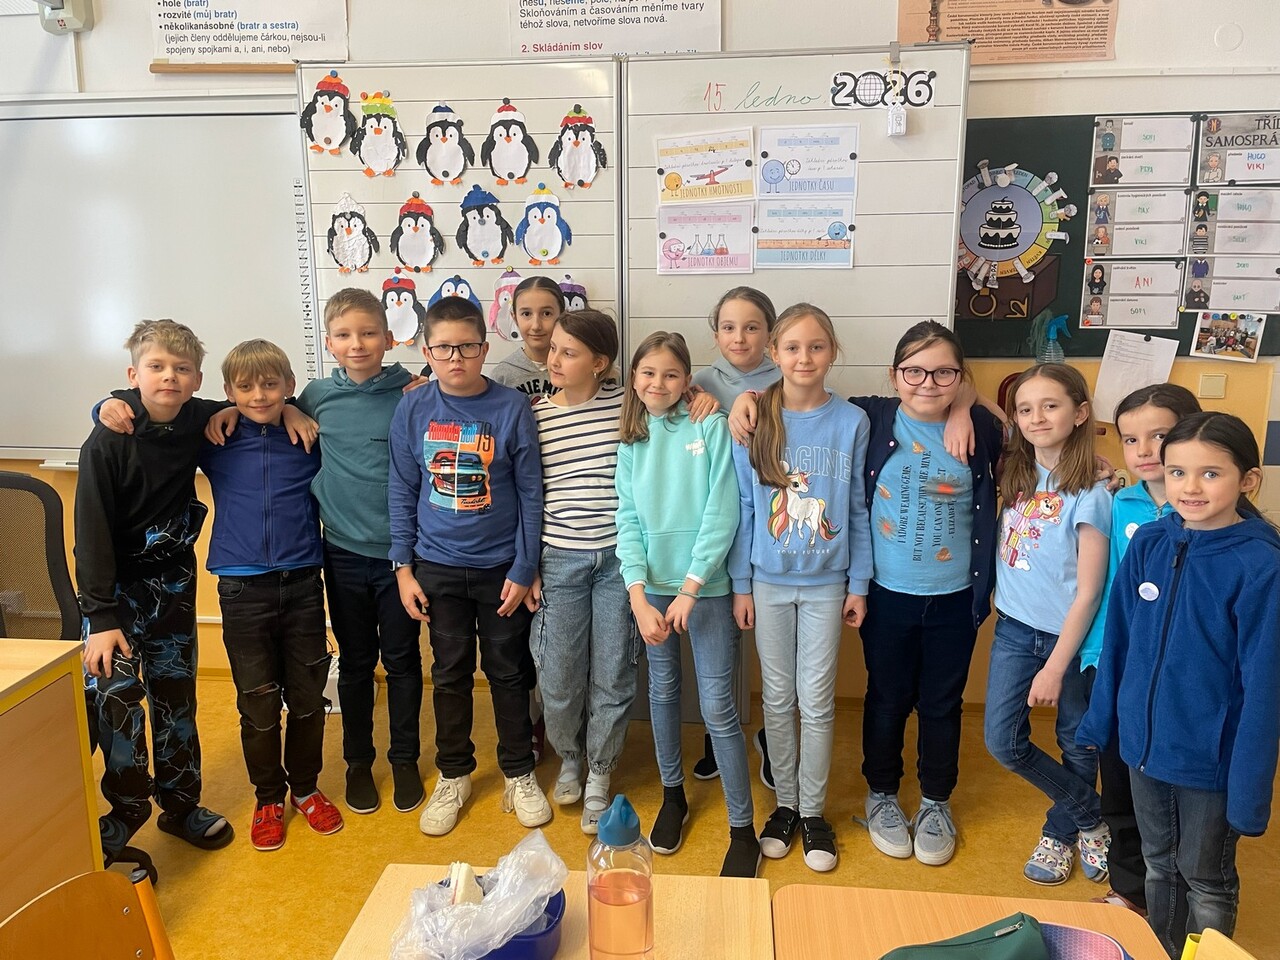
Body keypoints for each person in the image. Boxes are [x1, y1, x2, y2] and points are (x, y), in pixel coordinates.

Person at [1078, 412, 1280, 958]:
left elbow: (1265, 688)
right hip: (1144, 750)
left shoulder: (1261, 565)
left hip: (1210, 762)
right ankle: (1163, 950)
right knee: (1158, 864)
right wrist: (1102, 721)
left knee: (1205, 877)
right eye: (1177, 472)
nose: (1190, 487)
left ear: (1248, 479)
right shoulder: (1149, 542)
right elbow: (1118, 639)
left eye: (1210, 473)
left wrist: (1250, 790)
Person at [389, 295, 550, 837]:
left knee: (509, 672)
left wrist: (525, 566)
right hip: (435, 567)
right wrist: (403, 568)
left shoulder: (511, 407)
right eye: (443, 348)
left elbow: (531, 492)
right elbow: (401, 489)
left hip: (501, 570)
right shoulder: (413, 408)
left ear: (485, 348)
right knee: (450, 673)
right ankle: (454, 774)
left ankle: (518, 772)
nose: (455, 358)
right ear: (426, 351)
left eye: (467, 347)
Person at [76, 320, 236, 860]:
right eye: (156, 367)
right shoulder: (108, 438)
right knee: (119, 701)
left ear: (196, 380)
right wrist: (100, 617)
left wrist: (285, 410)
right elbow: (90, 535)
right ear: (133, 375)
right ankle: (126, 811)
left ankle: (181, 805)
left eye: (181, 369)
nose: (169, 377)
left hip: (172, 587)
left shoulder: (195, 418)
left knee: (176, 696)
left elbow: (248, 399)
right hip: (113, 599)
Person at [727, 304, 872, 874]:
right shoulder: (753, 417)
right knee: (777, 699)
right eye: (792, 347)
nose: (804, 358)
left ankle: (812, 812)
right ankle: (784, 805)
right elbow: (746, 508)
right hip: (766, 582)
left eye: (816, 346)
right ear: (774, 354)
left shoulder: (852, 421)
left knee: (816, 701)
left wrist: (858, 583)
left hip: (826, 585)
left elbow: (856, 508)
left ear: (832, 352)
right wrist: (741, 585)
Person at [851, 323, 1003, 866]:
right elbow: (802, 402)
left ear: (961, 377)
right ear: (894, 376)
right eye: (914, 371)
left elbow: (1033, 436)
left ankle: (936, 802)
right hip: (886, 595)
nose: (927, 383)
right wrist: (747, 399)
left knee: (942, 703)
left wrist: (965, 406)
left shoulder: (982, 427)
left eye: (943, 373)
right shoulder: (871, 417)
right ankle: (881, 795)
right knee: (886, 697)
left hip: (955, 598)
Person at [614, 331, 758, 878]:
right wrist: (637, 595)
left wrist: (692, 587)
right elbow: (627, 519)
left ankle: (742, 829)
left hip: (706, 589)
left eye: (671, 374)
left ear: (687, 380)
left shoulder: (709, 425)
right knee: (663, 691)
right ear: (633, 378)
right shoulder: (630, 439)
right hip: (651, 590)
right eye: (648, 373)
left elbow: (723, 511)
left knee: (718, 707)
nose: (659, 383)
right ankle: (672, 796)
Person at [199, 339, 342, 850]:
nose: (258, 395)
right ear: (228, 391)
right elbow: (158, 411)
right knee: (258, 704)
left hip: (302, 582)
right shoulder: (215, 436)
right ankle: (268, 798)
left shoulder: (308, 434)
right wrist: (102, 408)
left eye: (270, 385)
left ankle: (305, 788)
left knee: (307, 698)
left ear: (288, 385)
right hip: (241, 588)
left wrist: (296, 410)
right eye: (245, 387)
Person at [297, 288, 425, 817]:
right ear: (329, 343)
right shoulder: (315, 396)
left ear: (389, 338)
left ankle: (404, 759)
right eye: (345, 335)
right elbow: (259, 405)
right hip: (343, 553)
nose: (357, 344)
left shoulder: (412, 392)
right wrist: (290, 415)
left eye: (369, 333)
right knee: (354, 663)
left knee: (403, 660)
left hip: (401, 556)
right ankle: (357, 762)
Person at [985, 363, 1112, 886]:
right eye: (1025, 409)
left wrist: (1056, 666)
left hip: (1070, 641)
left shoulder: (1092, 492)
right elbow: (967, 396)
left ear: (1080, 413)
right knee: (1002, 742)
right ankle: (1092, 815)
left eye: (1051, 406)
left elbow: (1089, 591)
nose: (1037, 417)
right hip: (1014, 630)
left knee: (1076, 743)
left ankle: (1061, 833)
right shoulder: (1015, 475)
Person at [1077, 384, 1201, 914]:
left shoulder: (1206, 507)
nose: (1145, 450)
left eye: (1160, 435)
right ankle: (1131, 892)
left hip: (1180, 679)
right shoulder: (1117, 501)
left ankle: (1184, 895)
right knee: (1121, 788)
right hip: (1116, 669)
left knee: (1178, 795)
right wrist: (1093, 659)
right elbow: (1104, 589)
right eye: (1131, 439)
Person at [529, 310, 635, 835]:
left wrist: (705, 395)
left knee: (613, 670)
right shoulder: (535, 415)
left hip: (618, 559)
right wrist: (529, 566)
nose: (554, 360)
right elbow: (527, 495)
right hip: (560, 558)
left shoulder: (628, 405)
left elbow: (679, 394)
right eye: (553, 349)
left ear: (599, 363)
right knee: (559, 672)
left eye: (568, 353)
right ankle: (569, 757)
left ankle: (600, 770)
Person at [689, 285, 780, 789]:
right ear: (716, 333)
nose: (739, 337)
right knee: (719, 648)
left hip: (768, 530)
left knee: (770, 648)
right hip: (713, 529)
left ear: (770, 333)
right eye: (728, 327)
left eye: (751, 327)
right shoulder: (699, 381)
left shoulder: (788, 375)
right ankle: (716, 738)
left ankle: (769, 735)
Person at [490, 275, 563, 397]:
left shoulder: (576, 369)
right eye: (526, 314)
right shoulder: (502, 376)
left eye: (546, 313)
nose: (536, 326)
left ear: (562, 316)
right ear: (515, 318)